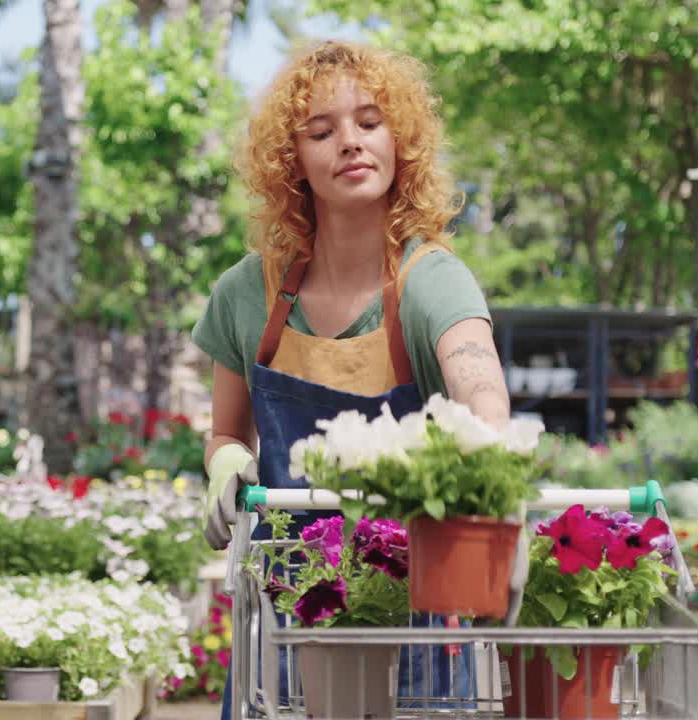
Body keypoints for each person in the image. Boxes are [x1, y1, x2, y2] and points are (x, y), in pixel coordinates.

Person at [191, 40, 514, 718]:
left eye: (369, 122)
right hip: (285, 621)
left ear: (401, 141)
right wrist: (226, 468)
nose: (350, 143)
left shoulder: (430, 281)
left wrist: (482, 445)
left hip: (414, 623)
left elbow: (481, 395)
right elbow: (227, 429)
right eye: (321, 130)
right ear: (292, 161)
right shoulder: (248, 294)